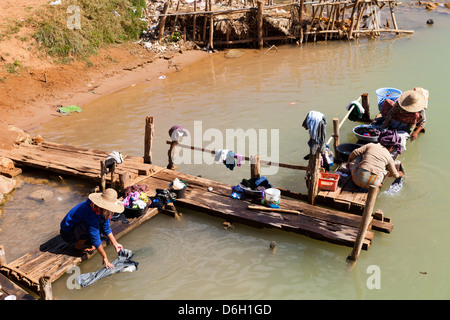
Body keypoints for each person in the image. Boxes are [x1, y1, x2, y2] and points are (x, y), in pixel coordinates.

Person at [60, 188, 125, 269]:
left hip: (77, 228)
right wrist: (105, 257)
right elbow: (95, 237)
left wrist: (115, 243)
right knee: (92, 230)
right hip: (68, 233)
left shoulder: (100, 209)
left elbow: (106, 226)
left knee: (99, 228)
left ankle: (82, 240)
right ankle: (79, 245)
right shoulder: (91, 212)